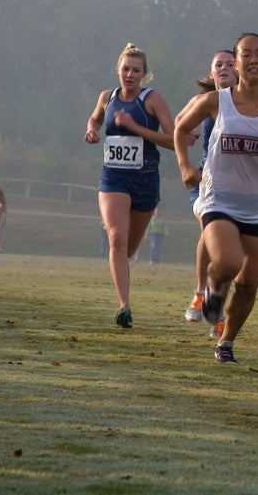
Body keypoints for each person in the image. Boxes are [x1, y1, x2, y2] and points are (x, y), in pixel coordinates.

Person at [175, 32, 258, 364]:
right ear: (237, 63)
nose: (253, 60)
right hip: (218, 200)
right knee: (228, 262)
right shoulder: (217, 101)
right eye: (246, 54)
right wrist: (185, 165)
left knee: (247, 286)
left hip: (257, 207)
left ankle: (226, 343)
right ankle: (212, 288)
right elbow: (180, 127)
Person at [84, 43, 175, 329]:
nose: (130, 74)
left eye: (136, 70)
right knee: (117, 239)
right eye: (125, 69)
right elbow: (95, 119)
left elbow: (174, 140)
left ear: (144, 74)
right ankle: (124, 306)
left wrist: (135, 128)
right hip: (114, 177)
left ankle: (123, 280)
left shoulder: (152, 100)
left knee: (129, 247)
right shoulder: (106, 97)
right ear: (118, 70)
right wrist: (91, 130)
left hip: (146, 179)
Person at [181, 50, 238, 326]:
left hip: (239, 187)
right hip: (206, 184)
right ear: (212, 72)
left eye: (231, 64)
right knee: (209, 229)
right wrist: (190, 133)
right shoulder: (202, 101)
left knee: (228, 253)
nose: (225, 68)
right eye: (219, 65)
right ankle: (200, 293)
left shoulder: (246, 103)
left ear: (239, 71)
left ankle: (219, 311)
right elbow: (179, 125)